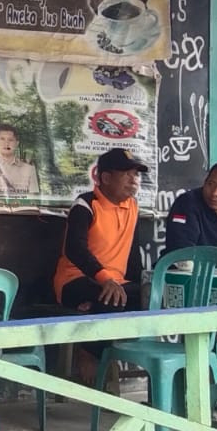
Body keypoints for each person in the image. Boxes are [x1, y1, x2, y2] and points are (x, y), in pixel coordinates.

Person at [52, 147, 148, 382]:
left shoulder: (132, 206)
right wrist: (105, 279)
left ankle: (95, 343)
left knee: (150, 297)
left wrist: (141, 284)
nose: (133, 180)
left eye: (136, 174)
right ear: (105, 178)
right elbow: (75, 249)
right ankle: (89, 357)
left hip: (117, 284)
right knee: (112, 299)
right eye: (126, 174)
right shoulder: (86, 204)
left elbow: (133, 254)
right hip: (75, 280)